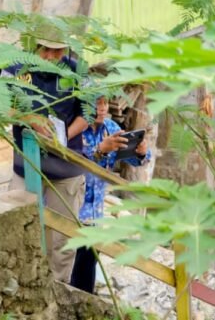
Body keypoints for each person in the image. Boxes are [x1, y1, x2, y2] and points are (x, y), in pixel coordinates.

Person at [3, 30, 89, 283]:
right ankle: (19, 285)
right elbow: (2, 107)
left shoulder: (79, 73)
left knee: (63, 239)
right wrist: (29, 118)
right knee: (16, 226)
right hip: (26, 164)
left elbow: (87, 114)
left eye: (57, 51)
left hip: (65, 167)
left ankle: (57, 289)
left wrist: (61, 140)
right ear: (35, 44)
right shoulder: (15, 68)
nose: (50, 56)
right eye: (45, 49)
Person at [70, 96, 151, 294]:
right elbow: (73, 159)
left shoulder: (111, 128)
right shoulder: (76, 129)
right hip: (73, 211)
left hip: (96, 215)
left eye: (105, 103)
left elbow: (134, 159)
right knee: (69, 270)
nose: (102, 108)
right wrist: (100, 149)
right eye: (96, 103)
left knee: (87, 272)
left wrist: (140, 152)